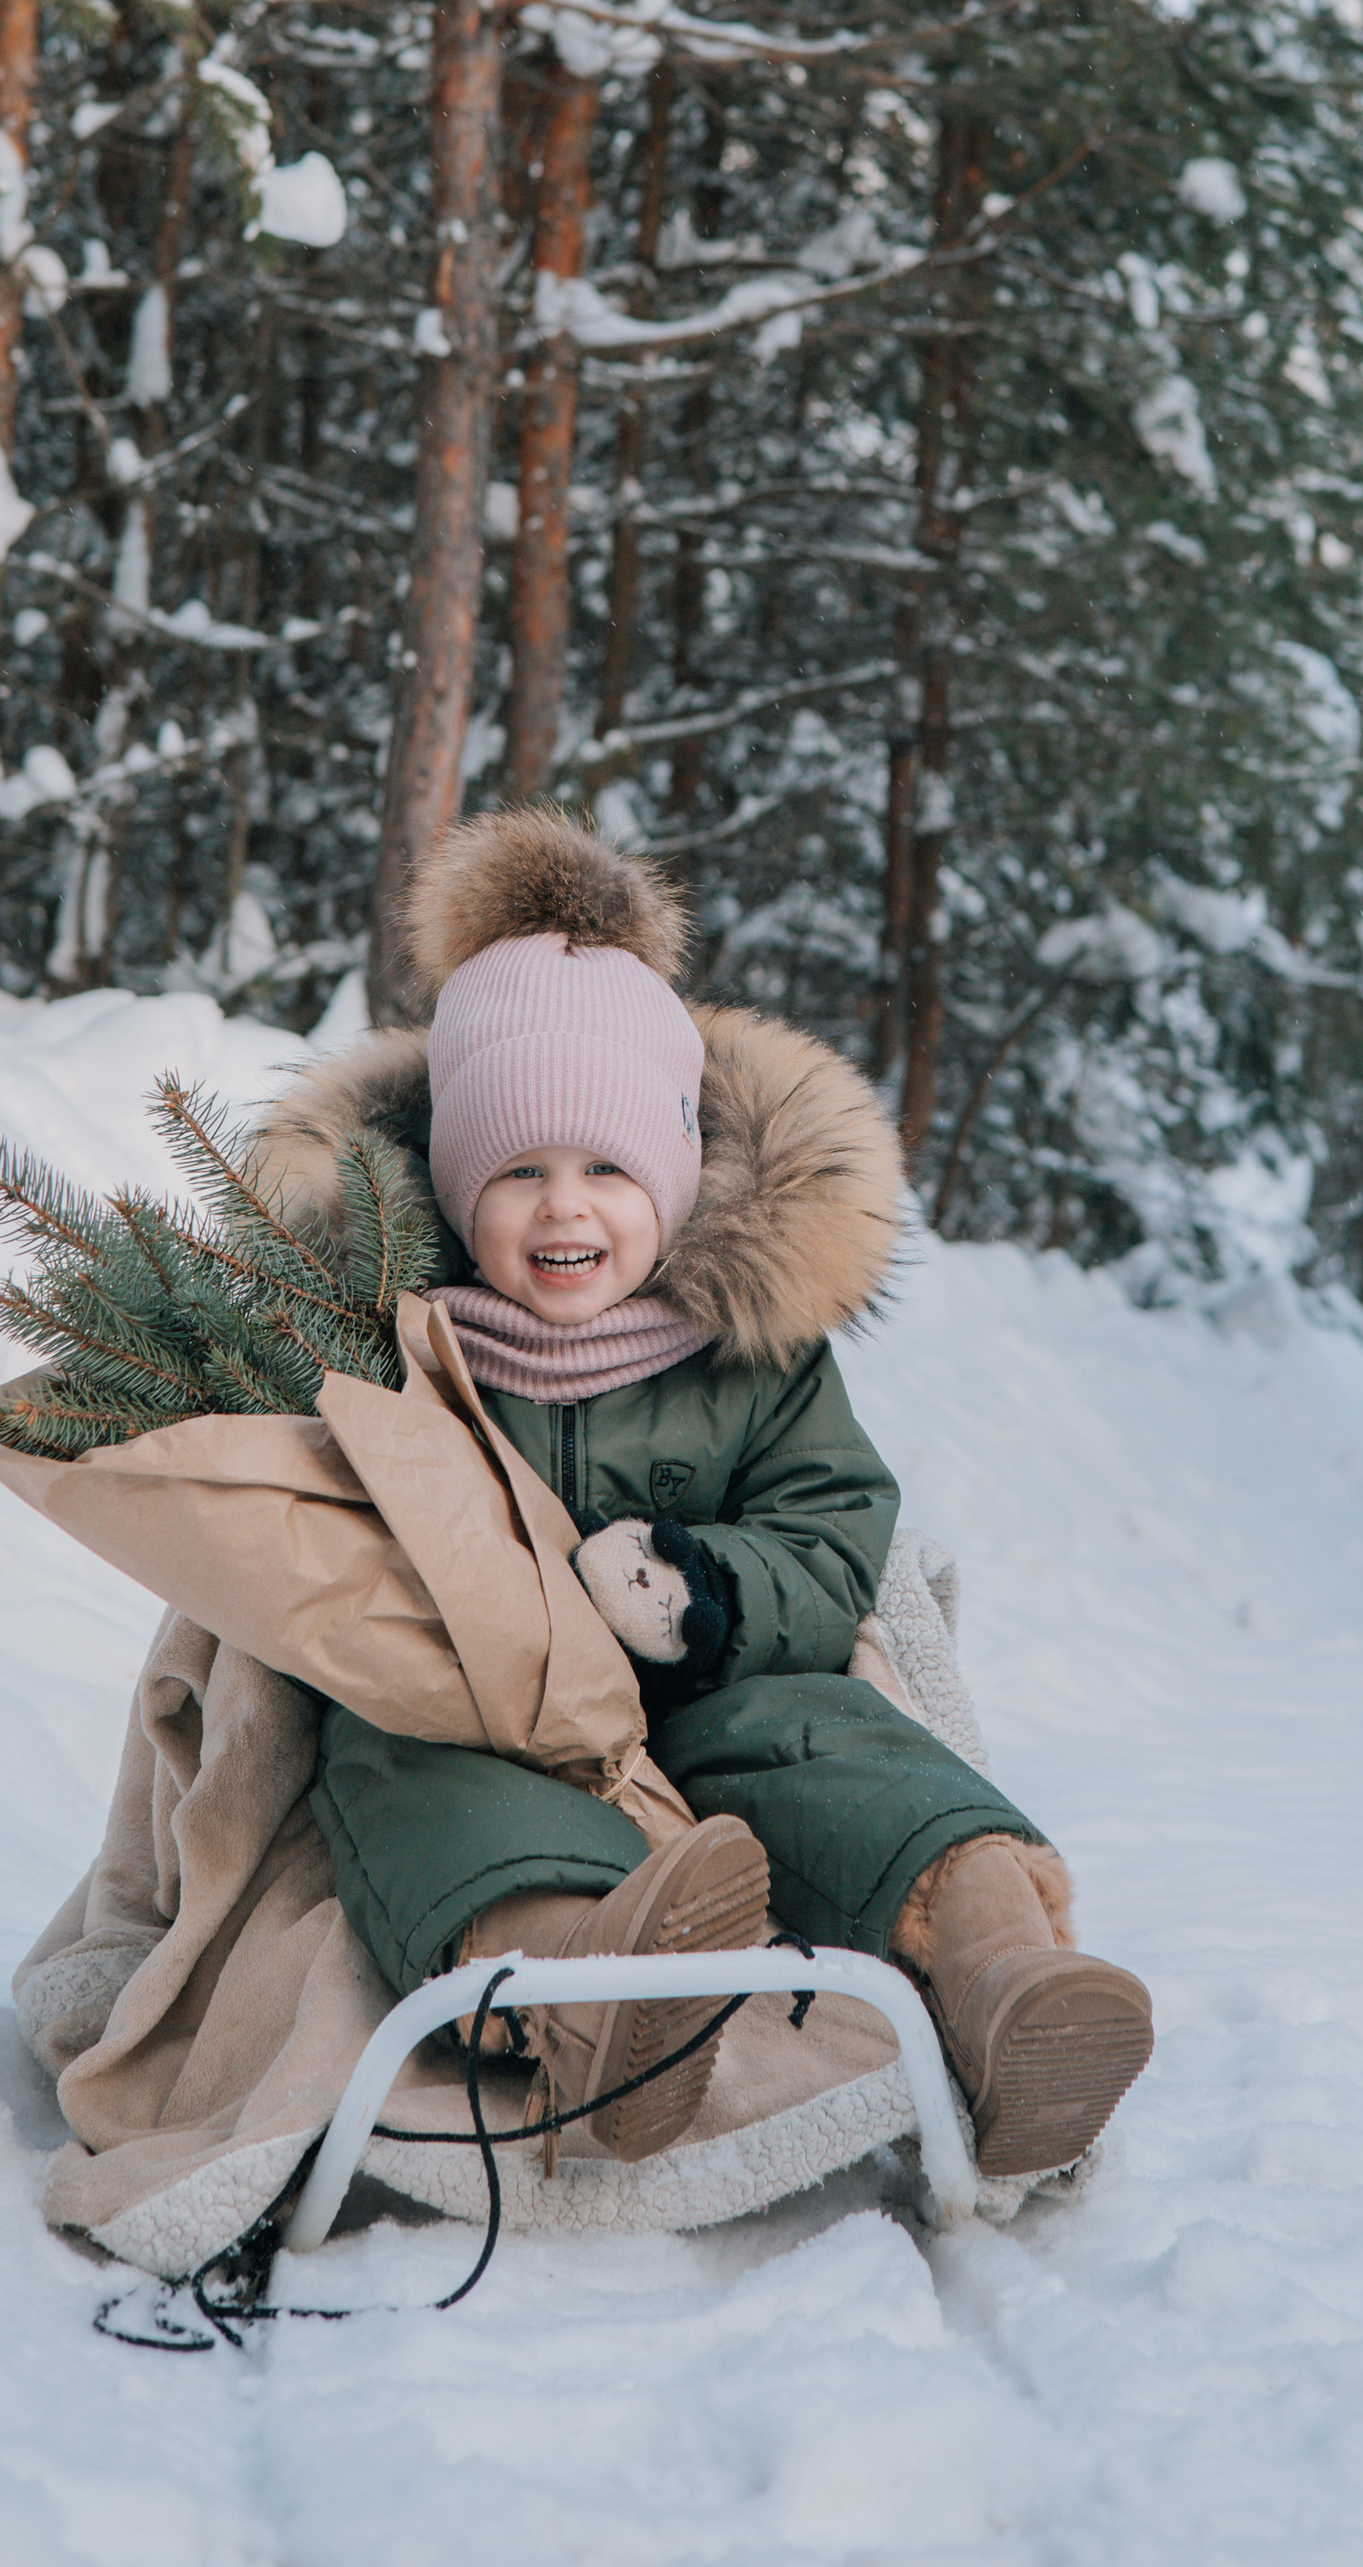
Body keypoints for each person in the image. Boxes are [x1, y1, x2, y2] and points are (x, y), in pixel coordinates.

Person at [249, 805, 1154, 2178]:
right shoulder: (399, 1346)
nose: (566, 1209)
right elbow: (304, 1525)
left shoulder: (745, 1351)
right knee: (414, 1787)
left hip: (713, 1694)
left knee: (839, 1742)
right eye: (520, 1172)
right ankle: (598, 2004)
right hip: (483, 1713)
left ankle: (1003, 1972)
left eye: (607, 1170)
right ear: (451, 1187)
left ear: (672, 1182)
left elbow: (832, 1530)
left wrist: (709, 1592)